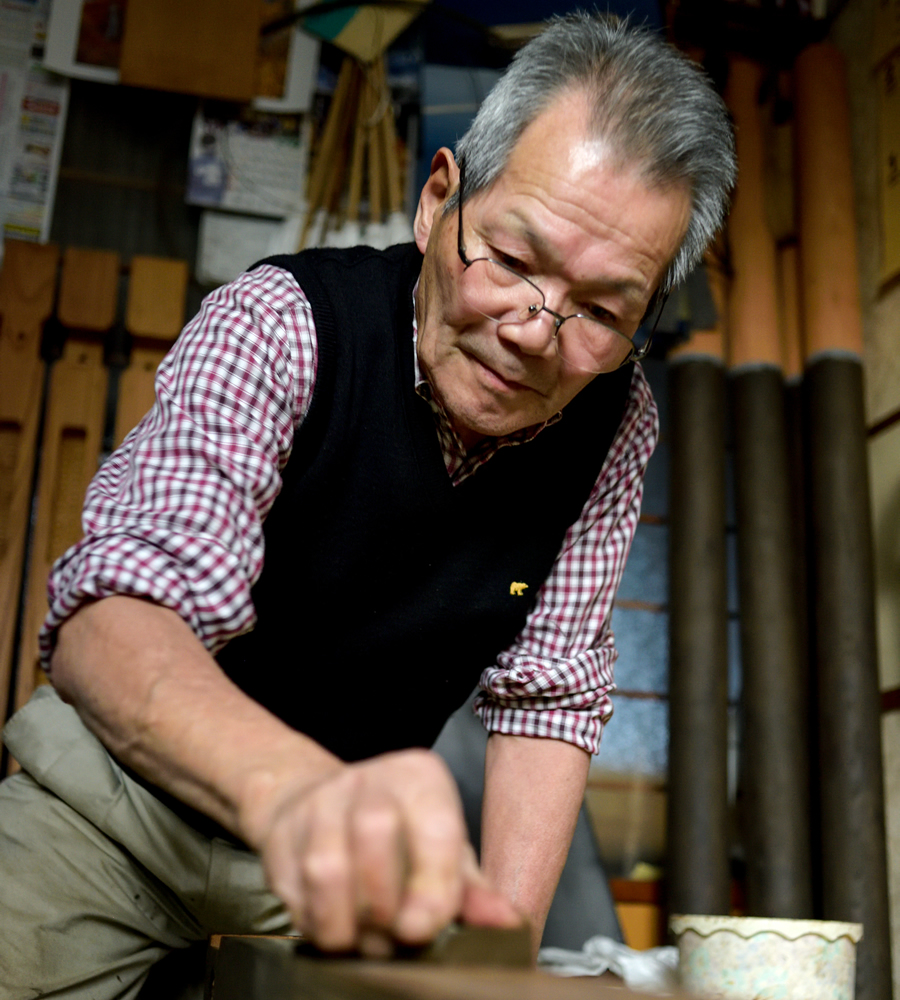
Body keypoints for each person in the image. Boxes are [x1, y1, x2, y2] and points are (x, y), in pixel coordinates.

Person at [0, 14, 735, 999]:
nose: (534, 332)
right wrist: (300, 796)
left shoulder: (614, 419)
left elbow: (550, 696)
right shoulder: (283, 324)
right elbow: (114, 623)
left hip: (339, 877)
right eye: (512, 259)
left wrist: (502, 965)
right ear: (439, 202)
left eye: (602, 310)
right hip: (113, 807)